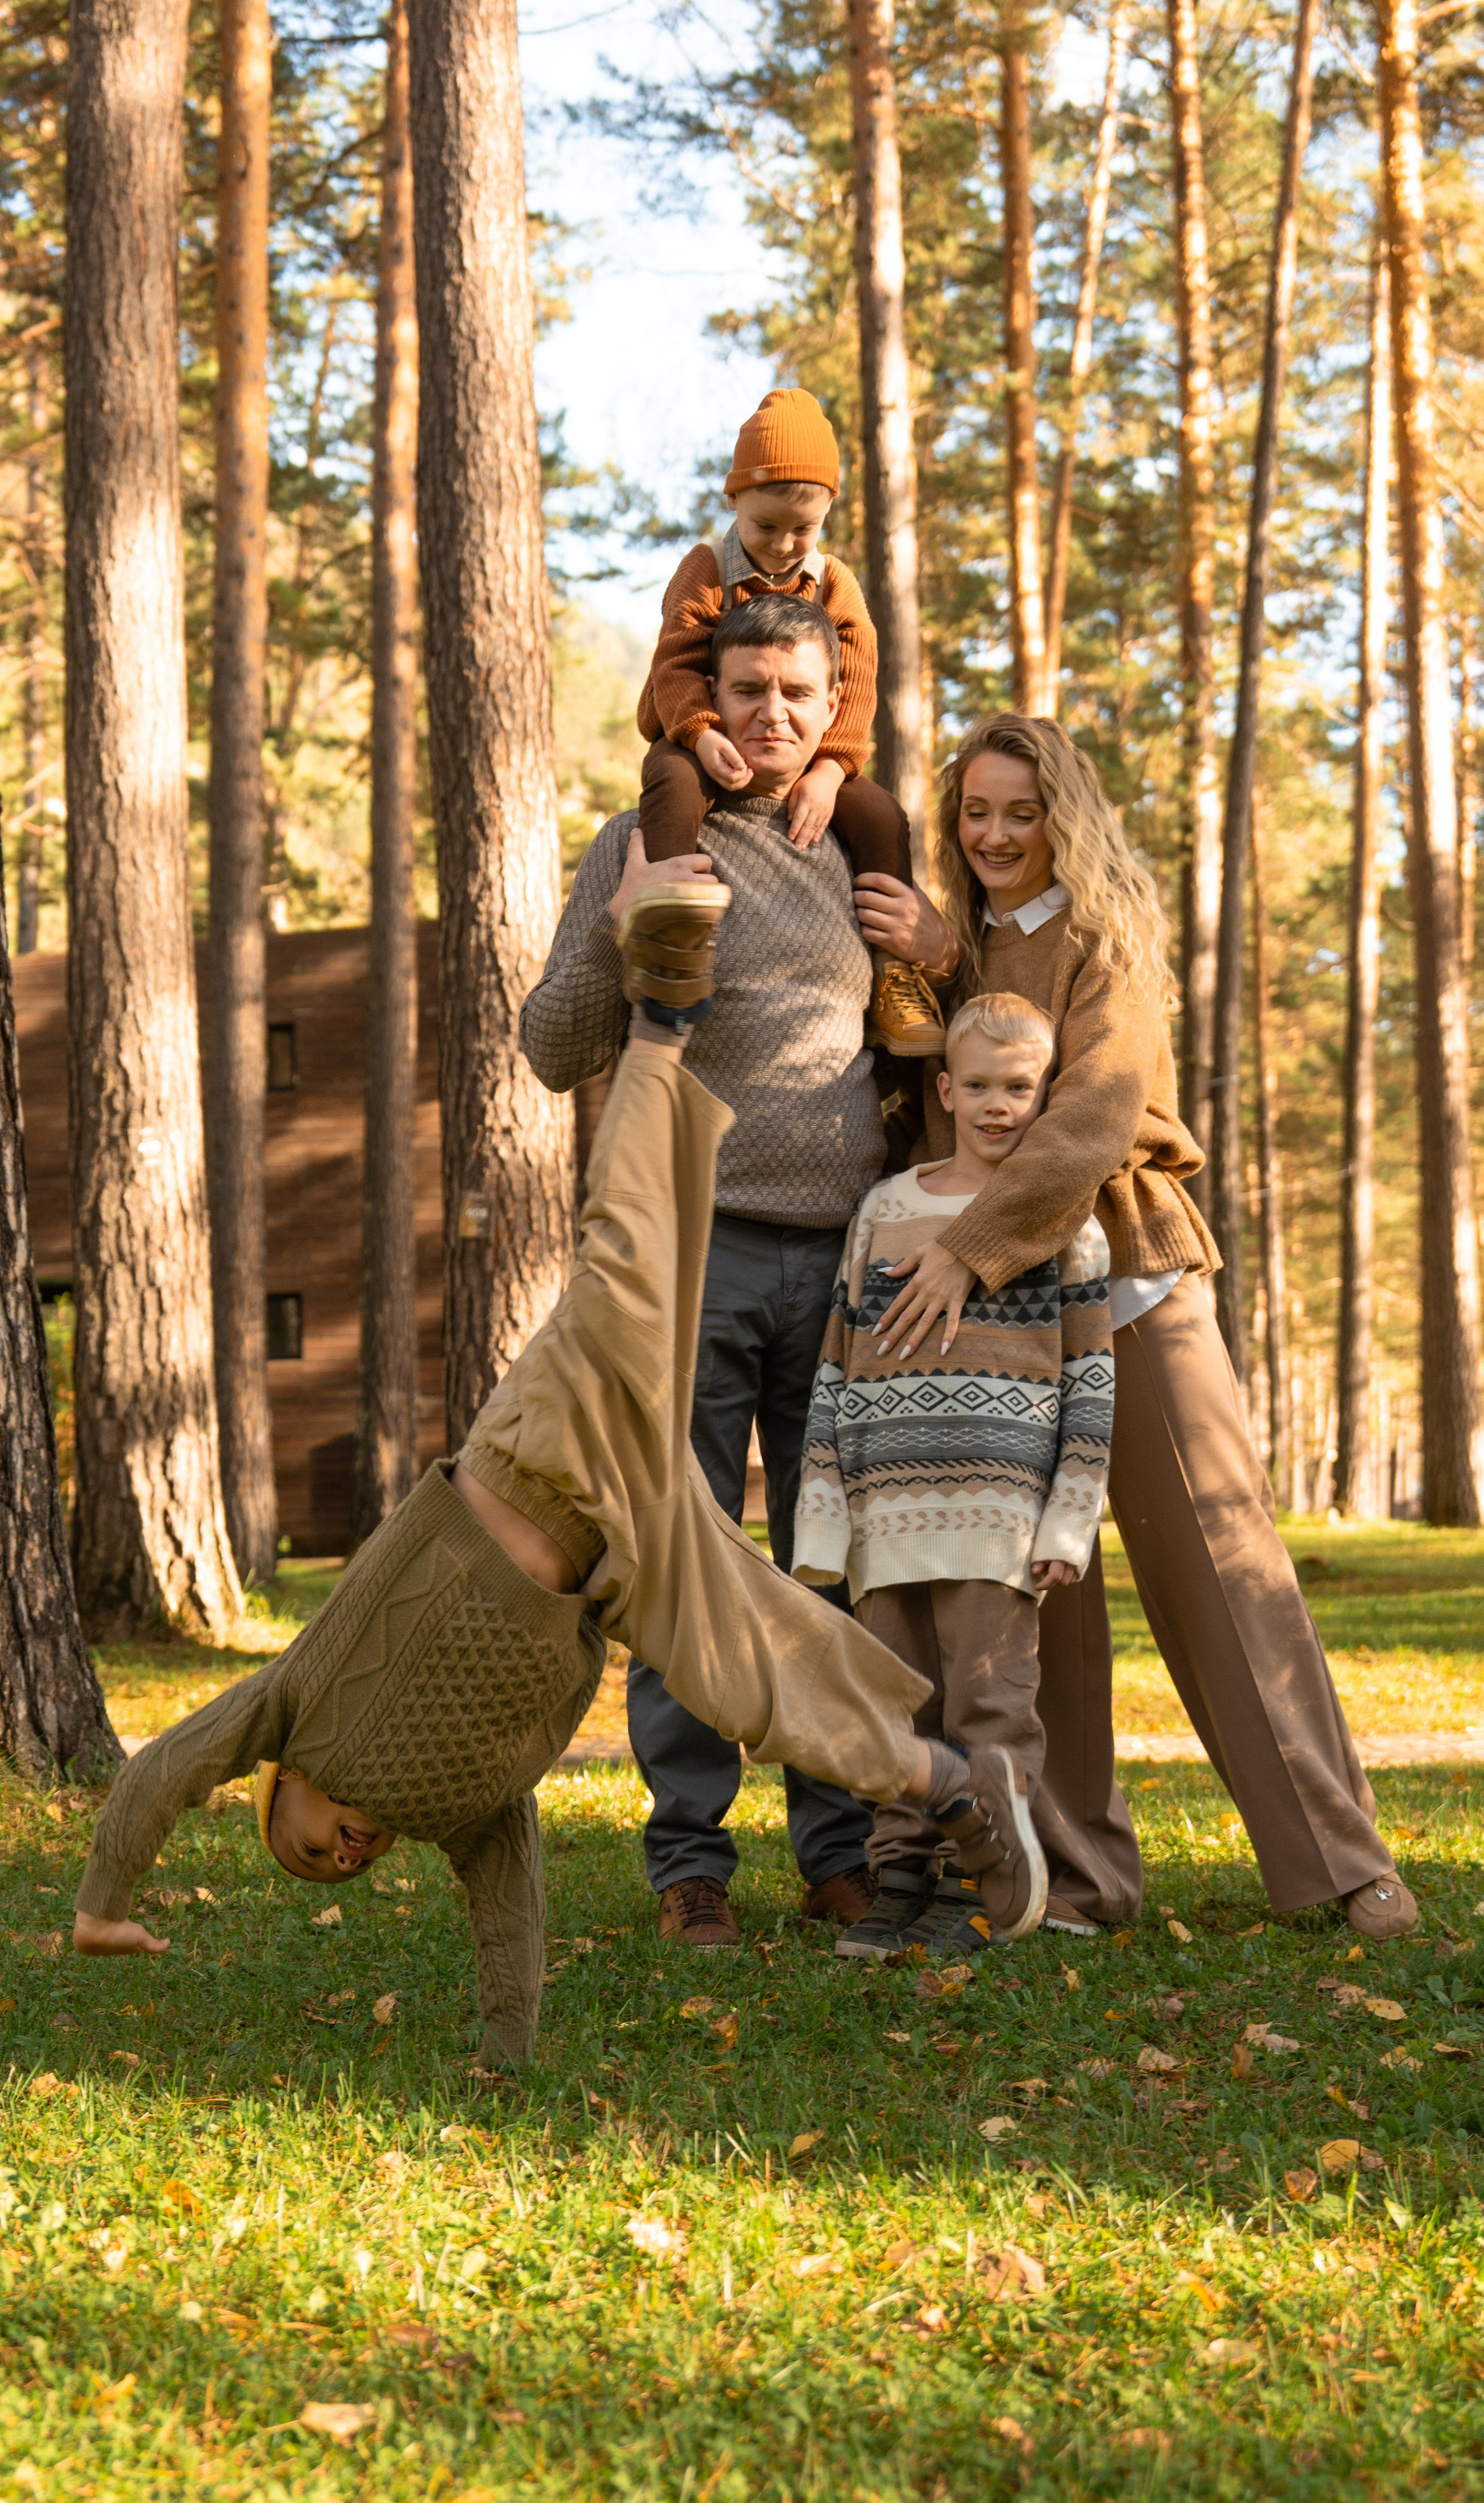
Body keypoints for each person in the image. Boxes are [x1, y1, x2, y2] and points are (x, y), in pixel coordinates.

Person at [72, 889, 1044, 2065]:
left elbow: (166, 1771)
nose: (341, 1852)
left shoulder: (298, 1700)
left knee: (625, 1259)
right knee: (755, 1677)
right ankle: (947, 1780)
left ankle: (663, 1015)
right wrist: (507, 2053)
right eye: (348, 1867)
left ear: (282, 1787)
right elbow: (509, 1914)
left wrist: (104, 1902)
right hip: (621, 1564)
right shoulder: (465, 1807)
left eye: (307, 1842)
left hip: (538, 1452)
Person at [878, 713, 1418, 1944]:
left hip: (1130, 1280)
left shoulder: (1103, 936)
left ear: (1062, 817)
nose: (997, 834)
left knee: (1227, 1571)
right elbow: (948, 1097)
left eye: (1021, 812)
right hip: (1010, 1313)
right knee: (1044, 1599)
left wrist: (964, 1247)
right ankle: (1078, 1878)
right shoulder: (958, 952)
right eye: (976, 811)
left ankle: (1343, 1860)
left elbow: (1092, 1114)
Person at [521, 592, 956, 1948]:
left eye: (797, 693)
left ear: (832, 708)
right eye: (749, 687)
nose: (772, 713)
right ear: (708, 697)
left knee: (827, 1562)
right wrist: (623, 924)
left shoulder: (862, 851)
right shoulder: (645, 838)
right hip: (688, 1255)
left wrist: (936, 947)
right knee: (682, 1556)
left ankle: (838, 1853)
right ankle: (690, 1865)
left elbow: (947, 1037)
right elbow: (553, 1049)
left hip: (843, 1266)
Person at [792, 991, 1111, 1956]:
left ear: (1047, 1096)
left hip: (998, 1518)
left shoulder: (1061, 1223)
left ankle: (988, 1884)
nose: (997, 1106)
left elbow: (1091, 1383)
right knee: (896, 1708)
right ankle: (900, 1877)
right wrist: (823, 1513)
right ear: (944, 1091)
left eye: (1019, 1088)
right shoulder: (885, 1211)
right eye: (978, 1086)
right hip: (883, 1514)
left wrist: (1068, 1522)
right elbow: (837, 1363)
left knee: (988, 1706)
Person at [636, 385, 943, 1056]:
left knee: (881, 816)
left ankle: (893, 972)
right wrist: (701, 734)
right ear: (735, 502)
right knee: (671, 785)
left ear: (828, 511)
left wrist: (830, 770)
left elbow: (855, 683)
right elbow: (676, 663)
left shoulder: (833, 583)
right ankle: (672, 945)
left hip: (807, 753)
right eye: (765, 526)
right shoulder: (705, 570)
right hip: (699, 733)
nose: (782, 545)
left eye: (802, 529)